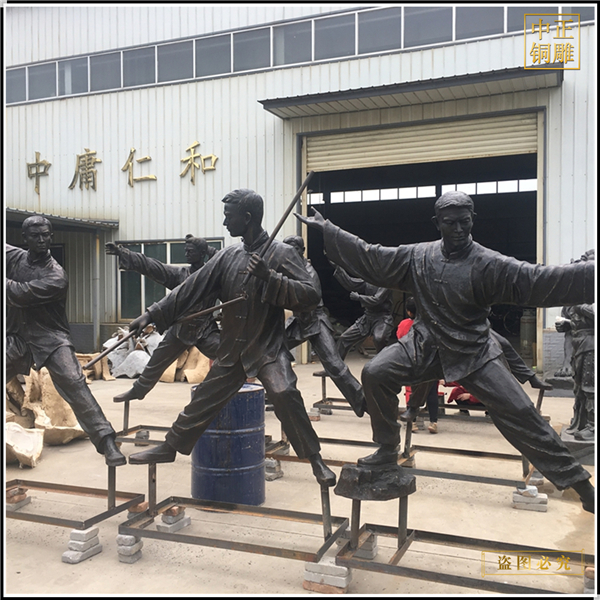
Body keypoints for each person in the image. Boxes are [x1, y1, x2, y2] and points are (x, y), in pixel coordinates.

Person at [296, 190, 595, 513]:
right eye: (450, 223)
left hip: (473, 350)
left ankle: (582, 486)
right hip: (425, 342)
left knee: (521, 412)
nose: (458, 229)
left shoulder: (488, 263)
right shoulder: (418, 256)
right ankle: (387, 448)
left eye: (464, 222)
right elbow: (374, 257)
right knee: (375, 372)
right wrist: (330, 231)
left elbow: (538, 280)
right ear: (437, 222)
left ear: (473, 220)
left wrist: (590, 273)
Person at [125, 189, 336, 487]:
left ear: (247, 218)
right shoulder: (228, 256)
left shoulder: (282, 254)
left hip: (267, 347)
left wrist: (270, 277)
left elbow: (311, 295)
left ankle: (315, 460)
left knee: (284, 392)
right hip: (232, 347)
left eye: (229, 216)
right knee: (204, 397)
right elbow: (191, 288)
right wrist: (152, 314)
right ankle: (171, 447)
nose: (225, 222)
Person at [6, 216, 126, 467]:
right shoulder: (15, 257)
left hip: (51, 339)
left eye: (46, 235)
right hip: (18, 337)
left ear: (51, 236)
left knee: (74, 382)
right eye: (35, 236)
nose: (42, 240)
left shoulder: (56, 275)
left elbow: (18, 293)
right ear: (25, 238)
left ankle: (106, 441)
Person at [106, 234, 220, 403]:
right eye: (186, 250)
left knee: (227, 354)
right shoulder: (180, 274)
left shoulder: (214, 277)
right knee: (156, 362)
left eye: (191, 251)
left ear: (202, 253)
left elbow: (230, 284)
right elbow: (153, 266)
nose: (187, 254)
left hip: (205, 329)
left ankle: (223, 387)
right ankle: (138, 390)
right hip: (180, 328)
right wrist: (125, 254)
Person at [283, 235, 367, 417]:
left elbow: (310, 297)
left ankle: (366, 403)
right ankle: (281, 395)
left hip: (315, 321)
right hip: (299, 321)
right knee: (271, 350)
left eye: (293, 250)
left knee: (335, 365)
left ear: (301, 251)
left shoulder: (308, 271)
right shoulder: (287, 269)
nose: (289, 254)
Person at [556, 250, 595, 441]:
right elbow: (572, 327)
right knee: (579, 388)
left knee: (591, 387)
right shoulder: (575, 295)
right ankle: (580, 422)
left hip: (592, 346)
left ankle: (593, 427)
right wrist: (566, 325)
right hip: (579, 346)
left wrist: (579, 305)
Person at [331, 262, 394, 358]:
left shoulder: (386, 283)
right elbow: (351, 283)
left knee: (379, 339)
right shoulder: (368, 281)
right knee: (344, 338)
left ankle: (383, 363)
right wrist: (338, 268)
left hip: (382, 318)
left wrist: (359, 297)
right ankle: (336, 366)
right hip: (367, 317)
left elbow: (377, 299)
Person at [397, 296, 440, 433]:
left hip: (412, 363)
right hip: (430, 362)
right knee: (432, 392)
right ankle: (433, 422)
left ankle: (413, 422)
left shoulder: (404, 324)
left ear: (409, 312)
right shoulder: (431, 324)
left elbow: (400, 339)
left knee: (412, 392)